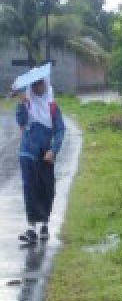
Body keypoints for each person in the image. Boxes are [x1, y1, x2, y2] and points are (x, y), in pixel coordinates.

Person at [15, 77, 64, 245]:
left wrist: (54, 150)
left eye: (40, 83)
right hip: (27, 151)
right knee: (30, 187)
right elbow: (21, 122)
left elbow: (60, 130)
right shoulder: (27, 103)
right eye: (34, 84)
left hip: (46, 154)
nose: (37, 87)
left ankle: (44, 224)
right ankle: (31, 228)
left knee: (46, 188)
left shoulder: (52, 107)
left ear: (46, 84)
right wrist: (22, 104)